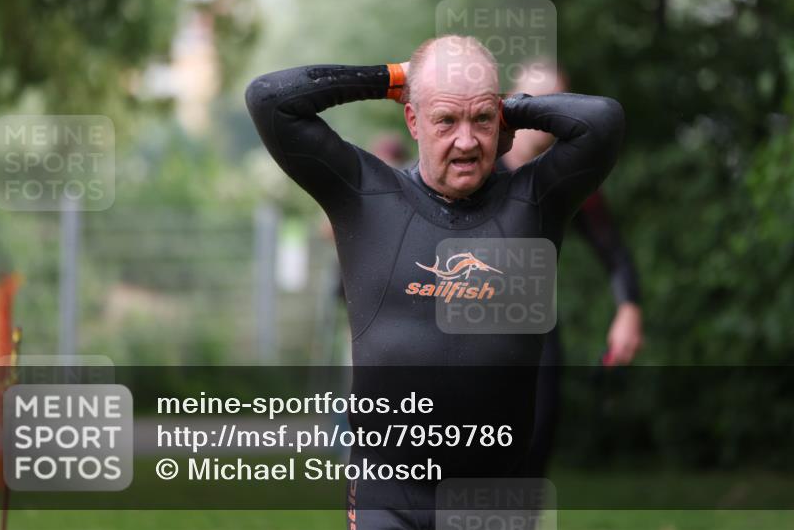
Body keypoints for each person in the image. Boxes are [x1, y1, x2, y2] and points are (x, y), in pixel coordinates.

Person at [245, 35, 625, 529]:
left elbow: (603, 120)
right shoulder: (364, 194)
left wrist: (501, 105)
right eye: (445, 120)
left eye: (482, 122)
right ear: (413, 120)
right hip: (387, 495)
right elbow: (270, 98)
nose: (466, 141)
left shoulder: (535, 200)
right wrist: (395, 78)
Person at [500, 60, 643, 480]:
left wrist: (629, 308)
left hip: (537, 339)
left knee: (530, 464)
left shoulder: (565, 180)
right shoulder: (474, 162)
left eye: (554, 103)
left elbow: (614, 252)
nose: (543, 112)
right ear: (511, 99)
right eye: (533, 100)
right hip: (462, 332)